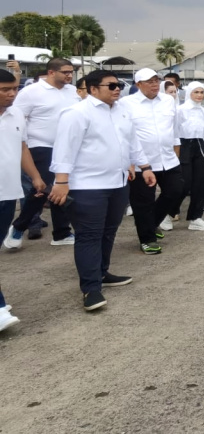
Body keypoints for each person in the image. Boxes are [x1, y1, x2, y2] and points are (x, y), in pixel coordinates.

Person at [49, 70, 157, 311]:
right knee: (89, 235)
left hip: (117, 183)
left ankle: (102, 273)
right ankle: (90, 288)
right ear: (92, 89)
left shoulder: (121, 111)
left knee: (109, 231)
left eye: (118, 85)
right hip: (87, 187)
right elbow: (64, 149)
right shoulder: (76, 113)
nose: (117, 89)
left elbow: (132, 142)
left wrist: (145, 166)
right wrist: (61, 181)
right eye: (111, 86)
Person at [3, 58, 78, 250]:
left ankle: (61, 233)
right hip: (40, 146)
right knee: (44, 189)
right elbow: (13, 115)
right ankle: (19, 227)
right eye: (65, 72)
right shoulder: (31, 92)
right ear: (51, 72)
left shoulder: (72, 91)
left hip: (67, 148)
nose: (70, 75)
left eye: (71, 72)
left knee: (61, 188)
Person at [0, 69, 48, 330]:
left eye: (14, 88)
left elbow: (22, 148)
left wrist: (36, 177)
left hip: (8, 194)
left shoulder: (16, 113)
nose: (11, 94)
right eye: (5, 89)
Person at [122, 68, 185, 255]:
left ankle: (151, 224)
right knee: (143, 202)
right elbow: (124, 133)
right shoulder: (126, 103)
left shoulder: (168, 100)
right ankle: (147, 239)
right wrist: (129, 162)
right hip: (142, 162)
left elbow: (174, 129)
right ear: (138, 84)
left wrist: (176, 151)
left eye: (156, 81)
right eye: (149, 82)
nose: (154, 85)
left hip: (168, 158)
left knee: (176, 191)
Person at [174, 82, 204, 231]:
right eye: (196, 92)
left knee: (200, 184)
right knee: (184, 184)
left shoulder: (203, 111)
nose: (199, 95)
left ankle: (196, 217)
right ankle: (168, 212)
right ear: (189, 93)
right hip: (183, 145)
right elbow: (175, 130)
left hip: (199, 145)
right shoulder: (180, 110)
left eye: (201, 92)